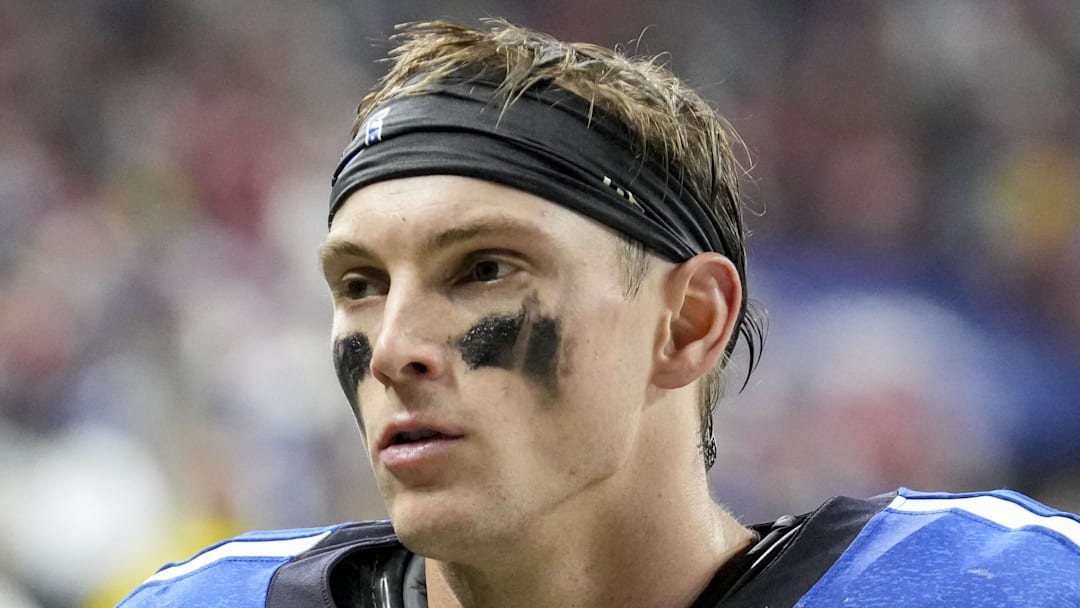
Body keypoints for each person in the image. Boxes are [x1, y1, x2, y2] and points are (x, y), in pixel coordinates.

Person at [120, 19, 1080, 608]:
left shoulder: (1008, 586)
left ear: (688, 323)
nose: (393, 349)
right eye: (360, 284)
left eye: (484, 267)